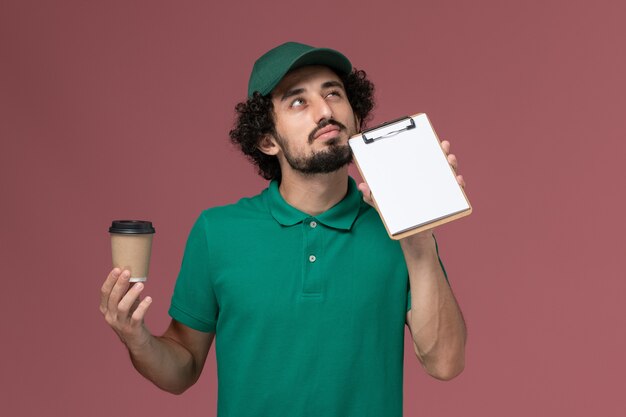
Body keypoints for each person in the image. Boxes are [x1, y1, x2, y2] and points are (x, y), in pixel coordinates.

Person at [100, 41, 467, 417]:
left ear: (356, 117)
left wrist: (419, 237)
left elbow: (445, 363)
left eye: (334, 94)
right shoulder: (217, 232)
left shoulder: (399, 231)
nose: (325, 111)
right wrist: (138, 340)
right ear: (267, 139)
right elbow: (183, 368)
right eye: (298, 101)